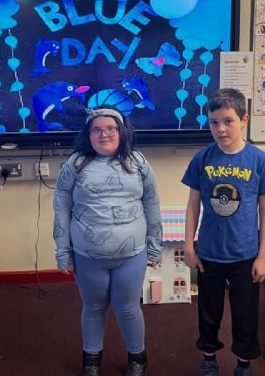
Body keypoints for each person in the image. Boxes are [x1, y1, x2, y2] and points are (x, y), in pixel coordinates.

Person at [53, 106, 162, 376]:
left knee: (128, 309)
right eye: (97, 130)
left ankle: (138, 359)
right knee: (93, 308)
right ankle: (91, 360)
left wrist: (155, 246)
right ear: (88, 134)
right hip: (87, 256)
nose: (104, 134)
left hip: (132, 255)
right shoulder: (75, 164)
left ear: (121, 131)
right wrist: (62, 251)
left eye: (110, 128)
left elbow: (151, 203)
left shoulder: (138, 162)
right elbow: (61, 207)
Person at [182, 88, 265, 376]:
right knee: (208, 312)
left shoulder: (258, 160)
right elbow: (192, 205)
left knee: (245, 315)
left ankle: (244, 362)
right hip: (209, 253)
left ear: (244, 120)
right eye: (214, 122)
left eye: (228, 121)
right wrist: (189, 246)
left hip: (245, 255)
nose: (221, 129)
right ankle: (209, 358)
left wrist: (263, 255)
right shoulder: (202, 158)